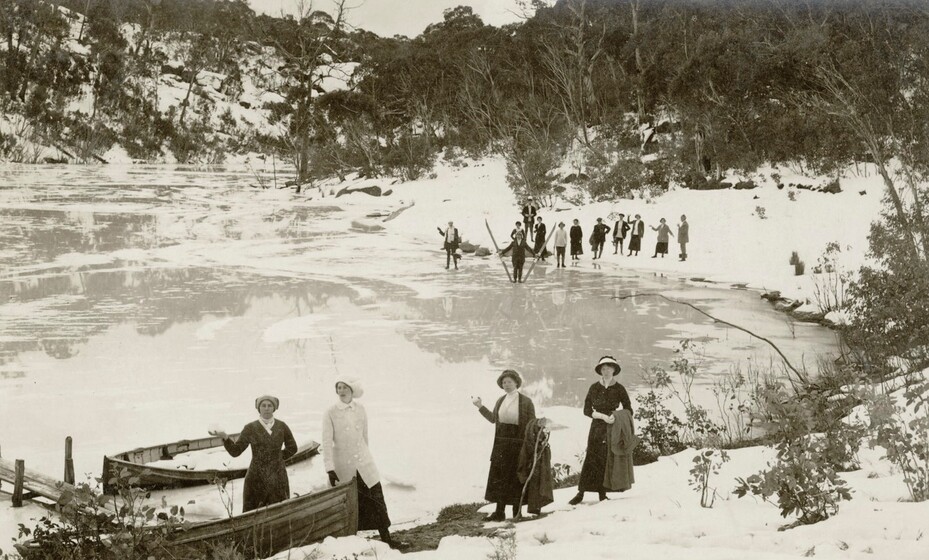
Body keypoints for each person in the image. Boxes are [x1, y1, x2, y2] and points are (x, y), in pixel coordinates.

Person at [322, 378, 407, 550]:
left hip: (364, 463)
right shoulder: (330, 411)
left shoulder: (360, 409)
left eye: (345, 387)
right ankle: (352, 544)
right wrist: (330, 469)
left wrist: (366, 456)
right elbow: (326, 442)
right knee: (350, 504)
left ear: (352, 390)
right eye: (339, 387)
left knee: (376, 499)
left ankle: (387, 539)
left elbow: (365, 436)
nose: (342, 390)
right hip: (344, 466)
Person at [209, 395, 298, 513]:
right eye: (263, 406)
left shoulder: (282, 426)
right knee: (253, 513)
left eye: (270, 406)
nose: (266, 408)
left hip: (278, 476)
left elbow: (293, 448)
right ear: (258, 408)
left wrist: (277, 457)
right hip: (256, 478)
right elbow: (236, 451)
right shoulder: (250, 428)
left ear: (274, 408)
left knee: (279, 512)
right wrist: (225, 437)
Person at [472, 370, 537, 521]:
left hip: (518, 443)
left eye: (509, 382)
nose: (506, 385)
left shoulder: (526, 401)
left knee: (516, 477)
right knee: (500, 477)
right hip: (501, 443)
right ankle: (499, 512)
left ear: (516, 383)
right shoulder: (500, 400)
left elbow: (532, 423)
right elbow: (493, 418)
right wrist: (480, 406)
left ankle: (517, 512)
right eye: (504, 382)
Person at [568, 356, 633, 505]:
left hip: (612, 427)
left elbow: (629, 408)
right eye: (603, 368)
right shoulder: (594, 387)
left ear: (614, 370)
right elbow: (586, 409)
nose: (606, 371)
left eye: (609, 368)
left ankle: (602, 494)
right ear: (600, 371)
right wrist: (600, 415)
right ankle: (581, 493)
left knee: (606, 458)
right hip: (597, 426)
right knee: (592, 456)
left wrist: (615, 416)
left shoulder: (619, 388)